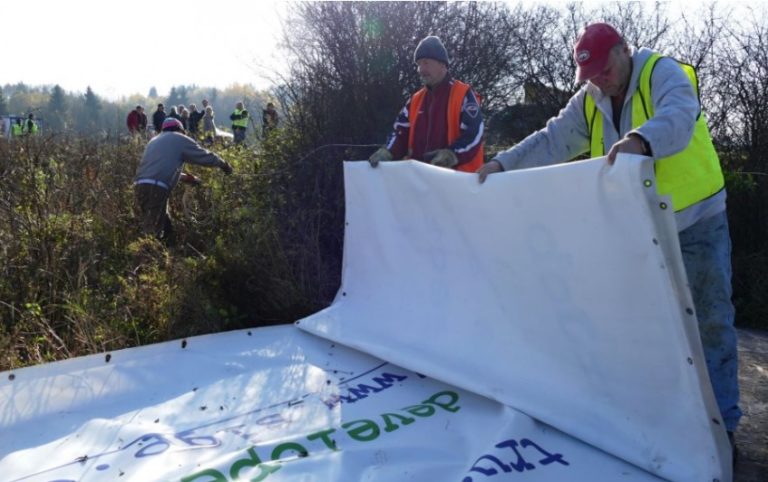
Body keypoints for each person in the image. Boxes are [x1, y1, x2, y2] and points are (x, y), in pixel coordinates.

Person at [477, 23, 741, 448]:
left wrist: (640, 140)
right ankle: (657, 414)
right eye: (591, 75)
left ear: (623, 50)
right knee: (644, 325)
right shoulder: (591, 99)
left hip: (696, 222)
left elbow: (678, 118)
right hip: (642, 229)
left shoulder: (661, 73)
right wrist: (504, 165)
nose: (600, 80)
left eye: (604, 69)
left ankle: (721, 427)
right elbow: (553, 140)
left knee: (709, 322)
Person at [368, 35, 484, 172]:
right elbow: (400, 132)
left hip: (456, 184)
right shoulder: (415, 100)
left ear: (442, 64)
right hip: (419, 183)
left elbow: (474, 133)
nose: (421, 70)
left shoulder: (463, 94)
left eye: (426, 63)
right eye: (419, 64)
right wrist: (388, 151)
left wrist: (452, 154)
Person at [134, 117, 233, 243]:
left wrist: (189, 179)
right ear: (180, 129)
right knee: (153, 231)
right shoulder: (179, 138)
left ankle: (167, 253)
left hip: (140, 186)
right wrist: (223, 164)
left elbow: (160, 171)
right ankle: (147, 256)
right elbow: (203, 155)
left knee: (163, 223)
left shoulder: (154, 141)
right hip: (156, 188)